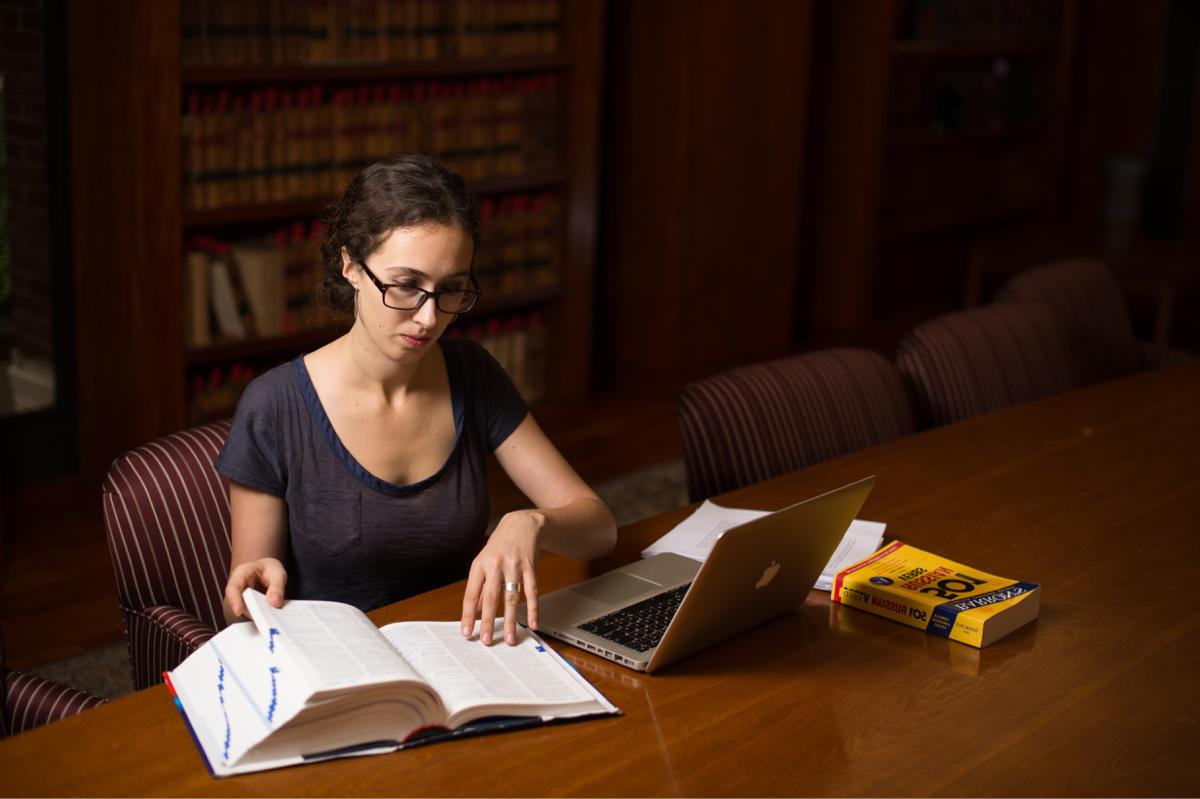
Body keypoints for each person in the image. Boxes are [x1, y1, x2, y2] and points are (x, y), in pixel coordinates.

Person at [216, 154, 616, 646]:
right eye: (406, 286)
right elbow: (243, 611)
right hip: (335, 663)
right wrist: (255, 587)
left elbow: (599, 528)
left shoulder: (472, 373)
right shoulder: (275, 404)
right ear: (350, 266)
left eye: (450, 290)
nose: (429, 318)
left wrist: (531, 522)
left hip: (463, 650)